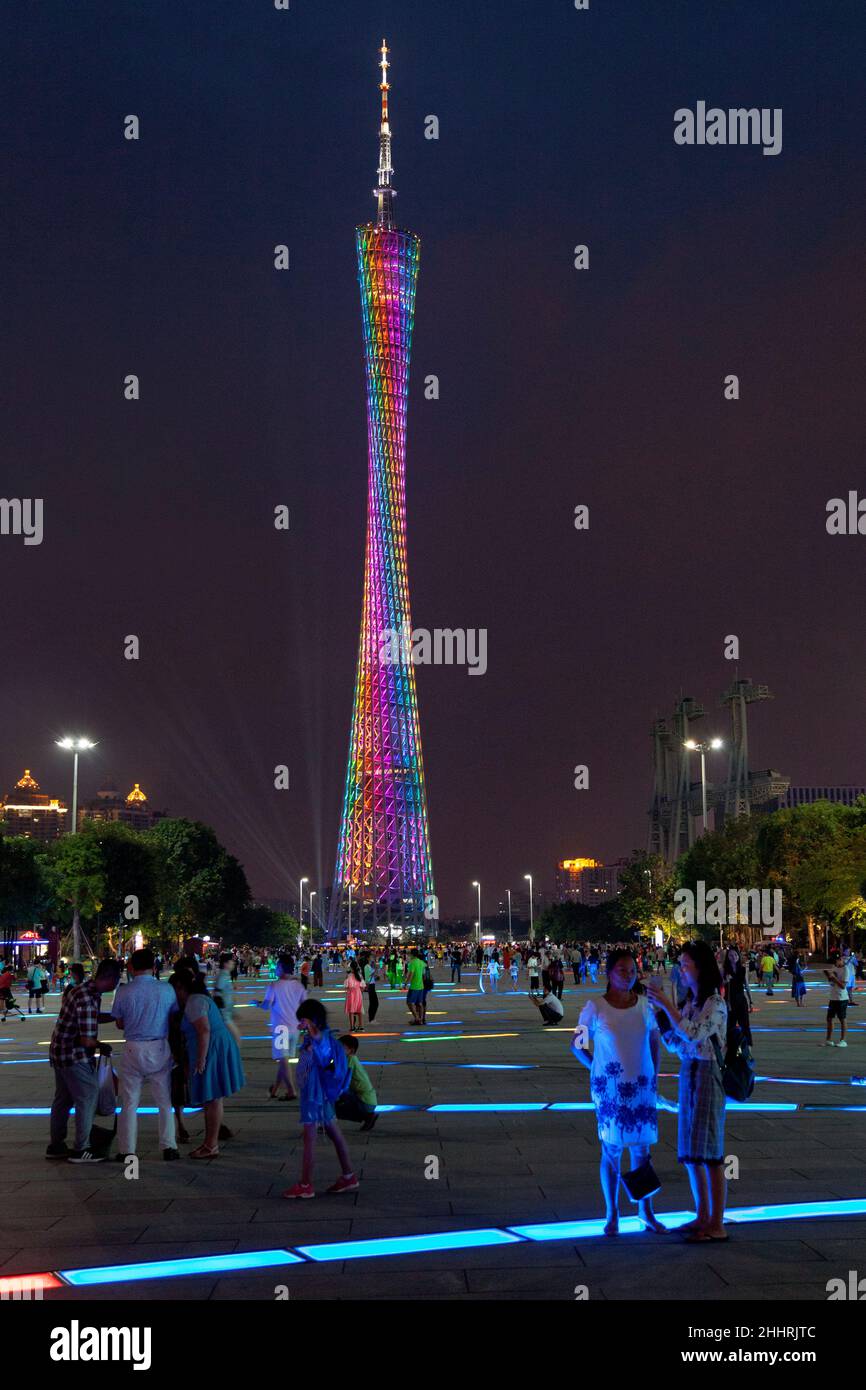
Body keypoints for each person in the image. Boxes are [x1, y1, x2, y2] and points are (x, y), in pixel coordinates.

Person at [572, 949, 664, 1236]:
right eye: (622, 970)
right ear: (609, 973)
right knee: (611, 1150)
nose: (628, 975)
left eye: (632, 970)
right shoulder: (595, 1007)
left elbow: (654, 1042)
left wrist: (654, 1076)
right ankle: (612, 1214)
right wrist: (596, 1069)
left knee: (642, 1151)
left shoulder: (644, 1006)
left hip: (641, 1087)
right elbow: (577, 1044)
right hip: (610, 1091)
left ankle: (645, 1211)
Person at [647, 941, 729, 1242]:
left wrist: (669, 1007)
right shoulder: (691, 1003)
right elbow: (678, 1045)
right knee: (691, 1151)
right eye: (680, 963)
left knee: (711, 1152)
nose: (681, 969)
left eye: (685, 964)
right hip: (689, 1073)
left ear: (701, 967)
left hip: (709, 1075)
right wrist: (661, 1015)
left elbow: (695, 1033)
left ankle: (716, 1223)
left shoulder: (715, 1003)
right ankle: (702, 1215)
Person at [47, 958, 122, 1163]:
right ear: (110, 978)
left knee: (63, 1100)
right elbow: (86, 1040)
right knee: (88, 1096)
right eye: (117, 979)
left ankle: (56, 1145)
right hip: (74, 1055)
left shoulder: (83, 991)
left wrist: (115, 1016)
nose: (117, 983)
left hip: (60, 1052)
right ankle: (82, 1149)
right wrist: (102, 1045)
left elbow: (92, 1017)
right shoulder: (88, 997)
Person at [282, 999, 358, 1200]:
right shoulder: (318, 1037)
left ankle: (306, 1184)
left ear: (313, 1019)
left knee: (310, 1139)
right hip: (320, 1095)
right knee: (334, 1133)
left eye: (304, 1020)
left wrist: (312, 1042)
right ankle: (348, 1175)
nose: (301, 1024)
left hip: (315, 1096)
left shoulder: (320, 1040)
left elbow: (325, 1060)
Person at [111, 947, 179, 1162]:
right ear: (154, 966)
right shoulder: (167, 989)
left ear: (131, 966)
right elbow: (173, 1017)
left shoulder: (124, 991)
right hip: (159, 1046)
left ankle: (127, 1150)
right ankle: (169, 1147)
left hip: (133, 1047)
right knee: (164, 1100)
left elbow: (119, 1022)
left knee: (130, 1102)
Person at [170, 966, 245, 1158]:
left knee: (212, 1098)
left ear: (180, 987)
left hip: (211, 1049)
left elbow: (204, 1030)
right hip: (214, 1046)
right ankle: (210, 1143)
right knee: (213, 1098)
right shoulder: (198, 999)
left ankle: (210, 1145)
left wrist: (201, 1060)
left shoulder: (194, 1001)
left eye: (173, 990)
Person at [258, 954, 306, 1099]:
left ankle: (291, 1090)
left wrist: (257, 1003)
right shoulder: (298, 985)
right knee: (283, 1059)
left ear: (281, 968)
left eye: (277, 966)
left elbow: (266, 1005)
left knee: (283, 1058)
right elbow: (305, 1005)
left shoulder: (274, 985)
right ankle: (275, 1089)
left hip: (280, 1027)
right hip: (295, 1027)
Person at [336, 1034, 378, 1130]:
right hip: (367, 1100)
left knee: (336, 1106)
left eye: (340, 1047)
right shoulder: (345, 1059)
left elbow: (346, 1078)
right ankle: (368, 1117)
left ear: (351, 1050)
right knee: (337, 1103)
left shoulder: (351, 1058)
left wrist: (339, 1093)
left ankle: (329, 1123)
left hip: (365, 1101)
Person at [721, 946, 752, 1046]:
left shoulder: (743, 969)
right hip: (729, 1002)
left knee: (745, 1025)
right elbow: (719, 985)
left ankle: (747, 1047)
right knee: (730, 1026)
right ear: (727, 957)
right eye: (730, 955)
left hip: (741, 1000)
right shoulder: (724, 970)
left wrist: (751, 1001)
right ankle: (731, 1046)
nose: (733, 957)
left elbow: (746, 986)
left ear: (738, 956)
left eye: (735, 955)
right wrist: (725, 980)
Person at [214, 953, 242, 1046]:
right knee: (236, 1038)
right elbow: (217, 992)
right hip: (224, 1013)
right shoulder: (223, 975)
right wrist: (222, 1010)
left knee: (231, 1037)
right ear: (226, 964)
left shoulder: (225, 975)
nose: (233, 964)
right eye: (231, 962)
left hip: (226, 1011)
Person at [823, 954, 849, 1047]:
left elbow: (843, 986)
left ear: (842, 960)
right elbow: (831, 981)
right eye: (836, 961)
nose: (837, 962)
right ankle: (828, 1040)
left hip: (842, 998)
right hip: (833, 997)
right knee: (829, 1018)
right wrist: (828, 976)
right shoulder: (834, 967)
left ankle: (843, 1040)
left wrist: (834, 978)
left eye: (839, 960)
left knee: (842, 1019)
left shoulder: (846, 969)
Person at [405, 949, 426, 1025]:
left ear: (412, 955)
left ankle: (417, 1018)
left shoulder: (412, 963)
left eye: (410, 954)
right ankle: (420, 1019)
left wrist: (405, 984)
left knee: (409, 1003)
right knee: (419, 1003)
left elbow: (410, 974)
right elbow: (424, 974)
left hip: (414, 986)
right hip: (421, 986)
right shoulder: (422, 962)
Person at [344, 959, 365, 1032]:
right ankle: (361, 1026)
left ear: (351, 968)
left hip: (351, 994)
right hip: (358, 994)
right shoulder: (359, 975)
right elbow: (363, 986)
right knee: (359, 1010)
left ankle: (352, 1027)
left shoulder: (349, 976)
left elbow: (346, 986)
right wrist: (359, 991)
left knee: (351, 1011)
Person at [362, 952, 380, 1024]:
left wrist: (376, 977)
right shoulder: (366, 966)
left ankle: (372, 1018)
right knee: (374, 1003)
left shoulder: (369, 966)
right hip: (370, 986)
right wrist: (375, 970)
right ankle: (371, 1019)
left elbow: (372, 977)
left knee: (374, 1003)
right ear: (368, 958)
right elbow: (367, 977)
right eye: (371, 957)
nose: (372, 958)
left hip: (372, 985)